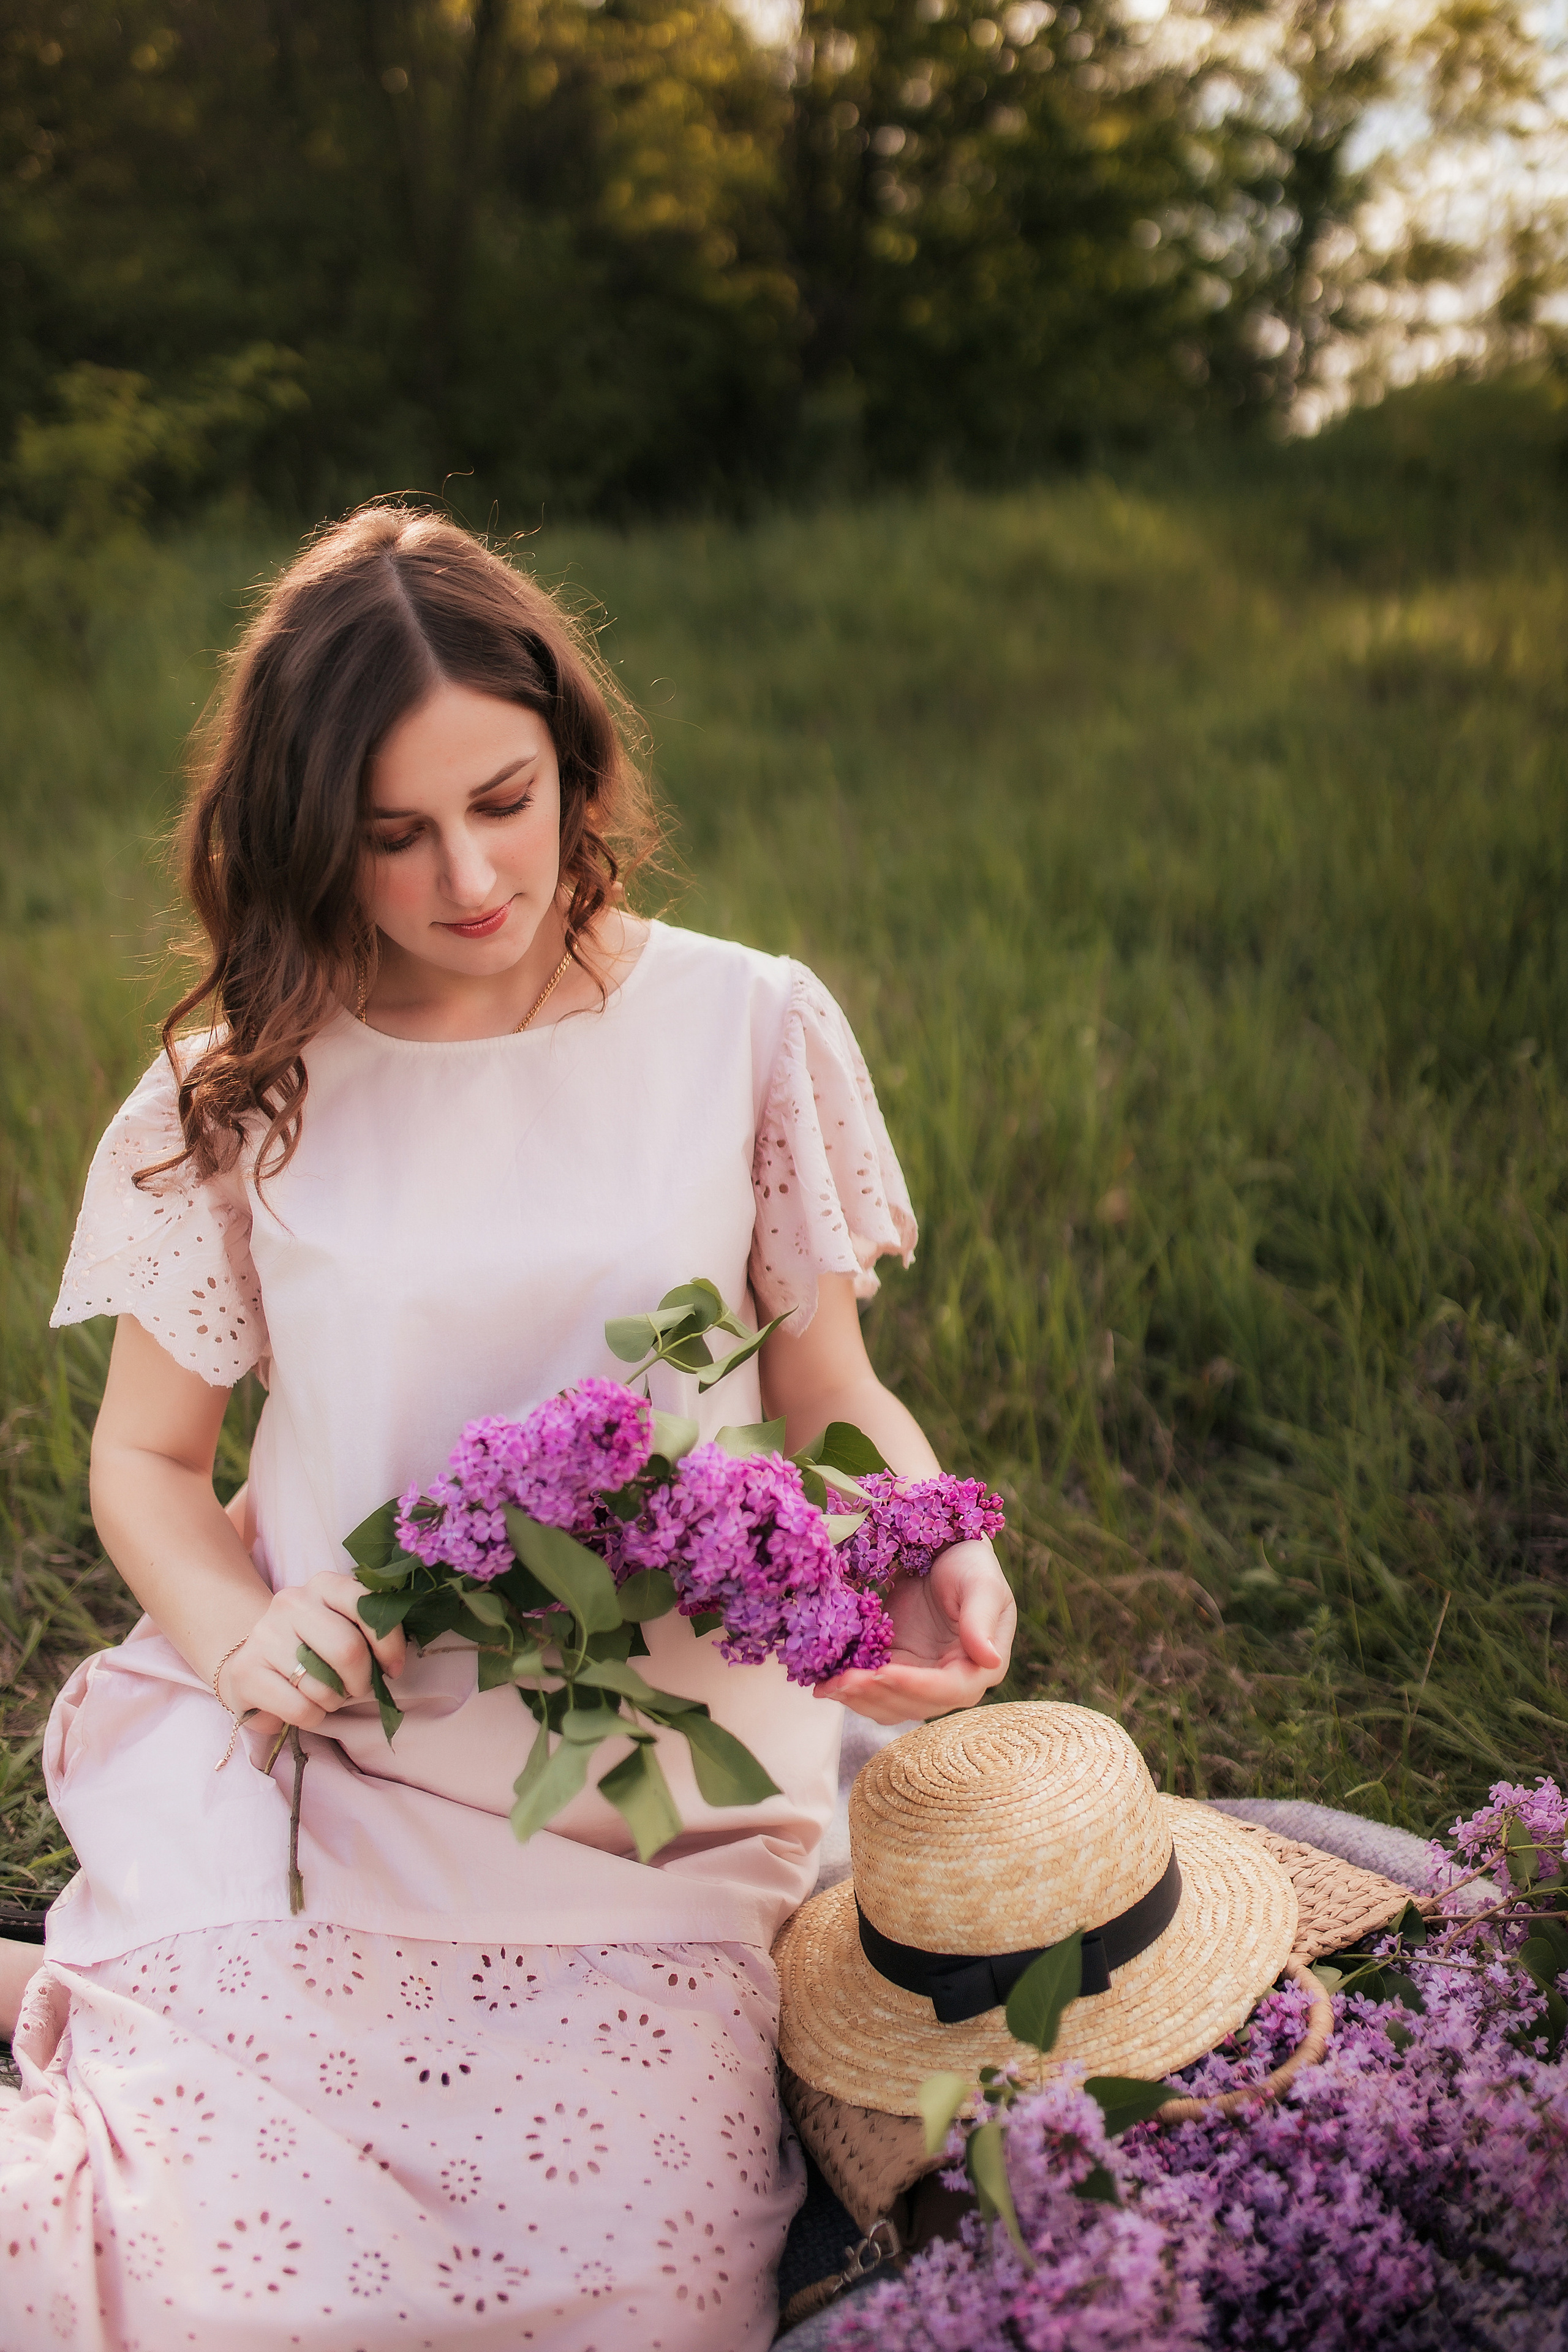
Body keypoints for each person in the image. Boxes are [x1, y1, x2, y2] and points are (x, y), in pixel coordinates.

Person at [0, 505, 1016, 2352]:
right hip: (333, 1758)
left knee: (636, 2300)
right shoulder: (244, 1081)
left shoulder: (744, 1023)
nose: (472, 875)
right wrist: (239, 1635)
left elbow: (825, 1390)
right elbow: (147, 1463)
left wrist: (917, 1526)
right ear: (310, 841)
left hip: (655, 1803)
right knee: (178, 2274)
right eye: (394, 838)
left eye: (506, 798)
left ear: (575, 758)